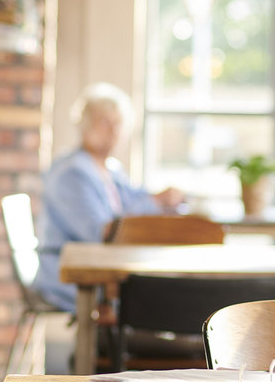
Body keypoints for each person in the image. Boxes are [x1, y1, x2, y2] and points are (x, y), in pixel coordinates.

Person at [34, 82, 185, 312]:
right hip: (69, 277)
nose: (114, 130)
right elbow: (103, 232)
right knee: (158, 295)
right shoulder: (73, 172)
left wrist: (165, 198)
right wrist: (155, 202)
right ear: (85, 127)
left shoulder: (109, 168)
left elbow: (135, 198)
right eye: (105, 122)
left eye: (119, 123)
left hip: (98, 270)